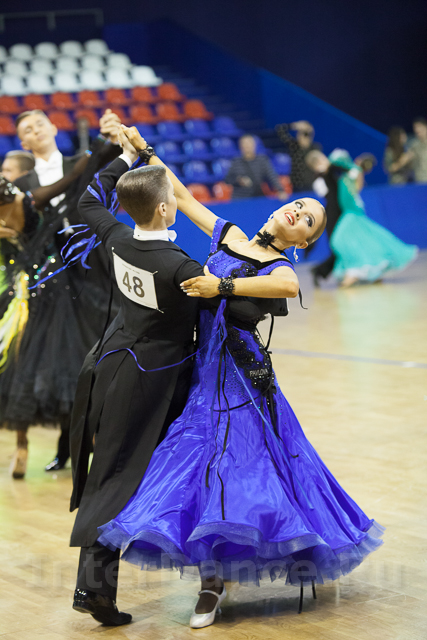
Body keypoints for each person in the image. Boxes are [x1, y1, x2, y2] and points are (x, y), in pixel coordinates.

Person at [94, 127, 384, 630]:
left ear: (304, 241)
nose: (298, 212)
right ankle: (212, 577)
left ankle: (212, 584)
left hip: (242, 382)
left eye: (308, 219)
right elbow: (182, 196)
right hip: (201, 370)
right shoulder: (228, 235)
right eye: (298, 204)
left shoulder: (279, 265)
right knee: (197, 466)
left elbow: (286, 286)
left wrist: (221, 285)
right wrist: (145, 152)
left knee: (236, 470)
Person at [69, 127, 285, 626]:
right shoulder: (179, 267)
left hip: (113, 365)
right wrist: (267, 281)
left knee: (114, 471)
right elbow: (234, 311)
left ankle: (103, 584)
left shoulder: (117, 236)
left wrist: (124, 158)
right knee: (124, 476)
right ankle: (96, 589)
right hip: (156, 381)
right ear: (166, 210)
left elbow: (88, 201)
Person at [0, 109, 122, 478]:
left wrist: (112, 136)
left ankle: (101, 441)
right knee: (57, 360)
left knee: (100, 351)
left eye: (39, 124)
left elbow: (115, 158)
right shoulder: (25, 183)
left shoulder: (82, 161)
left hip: (96, 269)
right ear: (23, 141)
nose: (35, 131)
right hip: (52, 280)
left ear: (53, 127)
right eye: (27, 129)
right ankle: (54, 444)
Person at [307, 148, 418, 287]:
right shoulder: (323, 178)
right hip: (336, 215)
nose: (326, 160)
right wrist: (353, 167)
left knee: (352, 243)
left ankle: (358, 273)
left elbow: (350, 182)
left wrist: (355, 168)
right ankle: (338, 272)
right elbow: (333, 179)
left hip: (347, 213)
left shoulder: (343, 175)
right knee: (340, 245)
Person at [225, 134, 287, 199]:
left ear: (254, 145)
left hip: (257, 196)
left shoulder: (262, 160)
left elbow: (271, 175)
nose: (247, 146)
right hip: (240, 198)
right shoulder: (235, 162)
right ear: (240, 146)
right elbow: (228, 179)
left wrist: (280, 190)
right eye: (244, 144)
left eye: (249, 143)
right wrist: (239, 180)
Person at [276, 120, 322, 191]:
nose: (303, 137)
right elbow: (279, 129)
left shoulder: (315, 148)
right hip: (296, 185)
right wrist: (294, 125)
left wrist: (310, 129)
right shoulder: (294, 146)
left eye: (306, 134)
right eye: (300, 133)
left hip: (311, 185)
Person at [409, 117, 427, 184]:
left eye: (419, 126)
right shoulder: (414, 145)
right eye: (415, 127)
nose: (417, 129)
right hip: (419, 181)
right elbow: (409, 163)